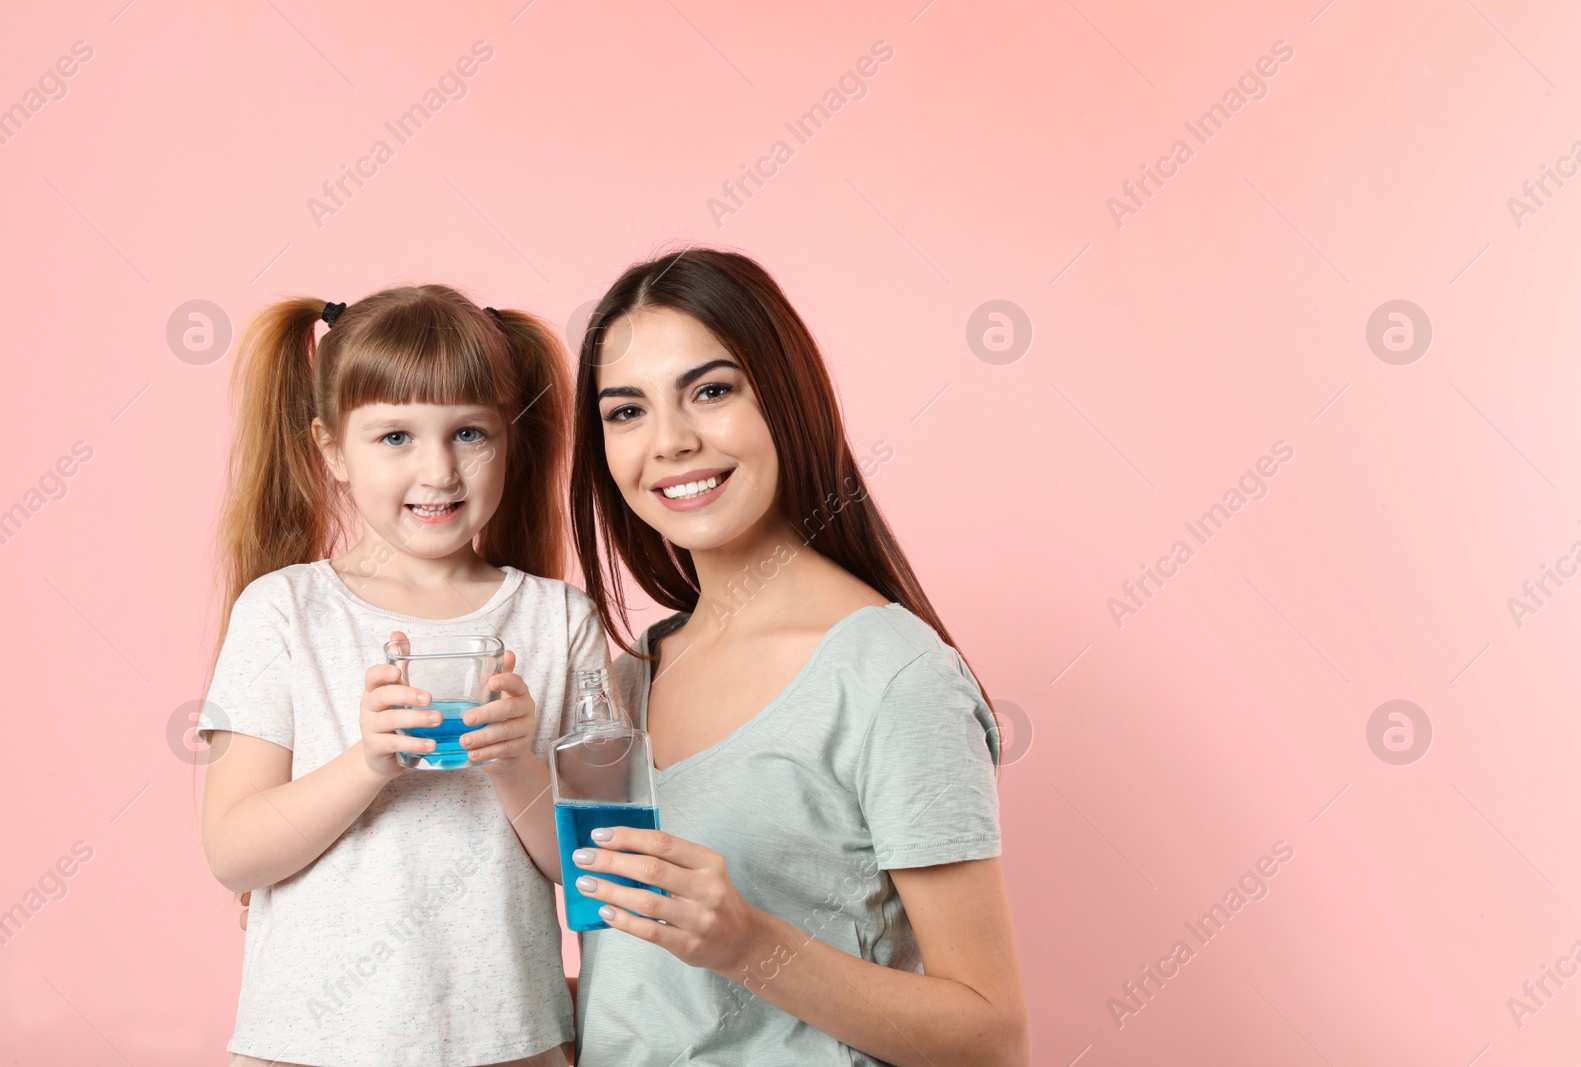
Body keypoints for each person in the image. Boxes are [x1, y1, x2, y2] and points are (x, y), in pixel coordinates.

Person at [566, 248, 1030, 1065]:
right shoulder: (629, 676)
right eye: (626, 411)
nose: (670, 442)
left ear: (785, 397)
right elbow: (646, 1000)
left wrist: (749, 943)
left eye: (711, 391)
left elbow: (991, 1037)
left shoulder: (893, 677)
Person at [198, 287, 604, 1066]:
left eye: (469, 432)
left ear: (509, 441)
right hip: (310, 1047)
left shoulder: (559, 622)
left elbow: (590, 868)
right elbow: (234, 850)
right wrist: (368, 760)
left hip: (511, 1044)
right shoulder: (283, 612)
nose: (439, 468)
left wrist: (515, 764)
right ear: (332, 450)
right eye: (395, 435)